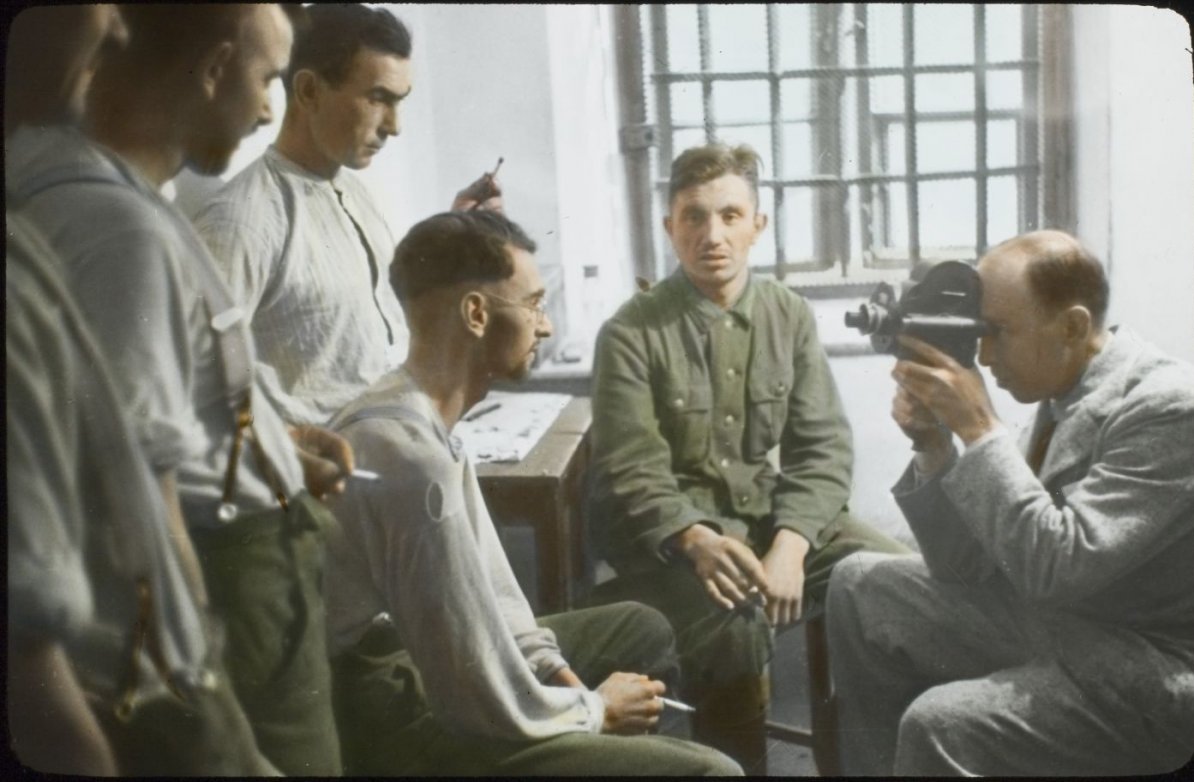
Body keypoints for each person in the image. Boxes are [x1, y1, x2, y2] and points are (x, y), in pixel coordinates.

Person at [6, 5, 353, 775]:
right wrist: (201, 690)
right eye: (267, 80)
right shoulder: (119, 230)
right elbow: (137, 493)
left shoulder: (123, 203)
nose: (267, 111)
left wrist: (279, 447)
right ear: (213, 69)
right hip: (227, 592)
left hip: (251, 573)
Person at [322, 209, 743, 776]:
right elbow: (474, 691)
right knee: (715, 773)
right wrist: (594, 712)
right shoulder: (412, 462)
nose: (543, 327)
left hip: (415, 663)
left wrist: (556, 674)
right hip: (385, 711)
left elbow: (493, 597)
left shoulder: (415, 415)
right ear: (476, 314)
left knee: (640, 626)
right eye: (534, 304)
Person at [586, 142, 909, 772]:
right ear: (669, 227)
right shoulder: (630, 332)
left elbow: (823, 446)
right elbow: (632, 469)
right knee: (735, 627)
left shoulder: (788, 314)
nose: (712, 235)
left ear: (757, 225)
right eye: (694, 216)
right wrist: (695, 539)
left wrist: (791, 543)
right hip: (672, 546)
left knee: (897, 578)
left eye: (730, 215)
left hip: (769, 523)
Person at [826, 230, 1194, 775]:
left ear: (1072, 326)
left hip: (1145, 667)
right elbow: (967, 567)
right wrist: (934, 446)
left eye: (997, 332)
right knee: (857, 584)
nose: (982, 354)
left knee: (938, 722)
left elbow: (1057, 568)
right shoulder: (1063, 389)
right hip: (1066, 624)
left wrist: (980, 429)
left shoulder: (1169, 407)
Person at [192, 3, 502, 427]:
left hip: (398, 444)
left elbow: (377, 321)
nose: (394, 126)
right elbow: (196, 387)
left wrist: (455, 229)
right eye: (378, 98)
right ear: (308, 91)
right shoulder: (241, 221)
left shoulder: (354, 193)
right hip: (324, 465)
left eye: (399, 102)